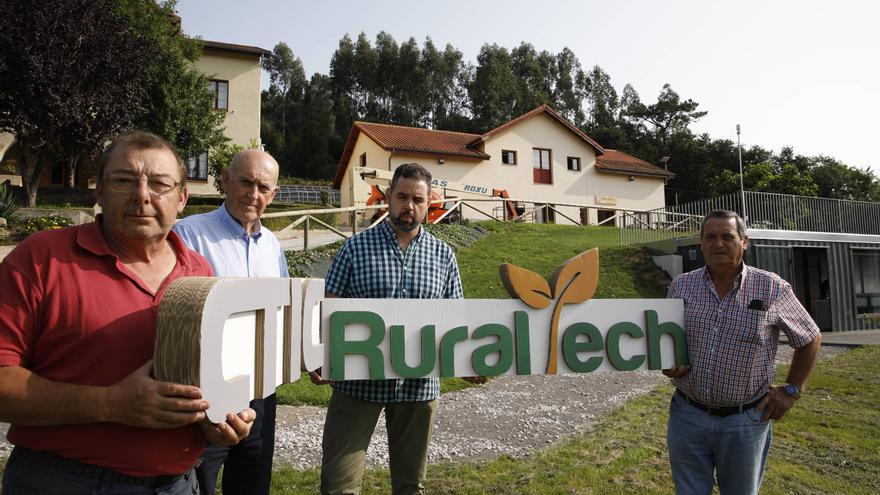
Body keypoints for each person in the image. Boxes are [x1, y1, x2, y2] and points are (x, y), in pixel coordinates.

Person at [0, 131, 255, 494]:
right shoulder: (41, 259)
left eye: (160, 184)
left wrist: (219, 420)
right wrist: (110, 404)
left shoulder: (199, 271)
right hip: (65, 481)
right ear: (99, 191)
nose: (142, 195)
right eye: (123, 180)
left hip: (179, 484)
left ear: (182, 197)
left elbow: (206, 378)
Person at [314, 162, 477, 495]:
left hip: (417, 389)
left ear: (428, 201)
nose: (409, 206)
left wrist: (468, 360)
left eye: (417, 199)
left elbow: (454, 319)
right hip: (356, 387)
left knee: (410, 486)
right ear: (388, 197)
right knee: (337, 485)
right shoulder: (355, 248)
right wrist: (319, 354)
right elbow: (326, 310)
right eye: (402, 197)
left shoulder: (443, 255)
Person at [663, 209, 822, 495]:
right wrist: (671, 362)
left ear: (744, 241)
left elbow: (810, 337)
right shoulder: (681, 285)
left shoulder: (772, 287)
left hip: (745, 421)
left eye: (727, 236)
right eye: (710, 237)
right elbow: (669, 341)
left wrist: (792, 390)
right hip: (687, 415)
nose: (718, 243)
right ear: (701, 243)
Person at [173, 149, 288, 495]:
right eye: (245, 182)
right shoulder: (188, 235)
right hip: (205, 390)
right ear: (225, 180)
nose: (253, 194)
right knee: (199, 482)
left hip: (260, 391)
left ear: (274, 194)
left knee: (251, 483)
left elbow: (282, 309)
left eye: (263, 187)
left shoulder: (272, 245)